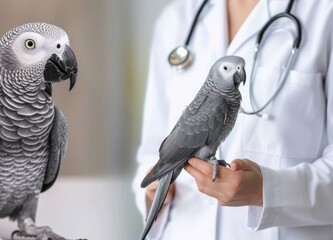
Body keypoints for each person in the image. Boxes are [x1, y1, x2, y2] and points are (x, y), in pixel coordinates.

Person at [132, 0, 333, 239]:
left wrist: (266, 190)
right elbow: (150, 149)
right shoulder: (176, 18)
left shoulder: (324, 12)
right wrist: (155, 190)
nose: (238, 72)